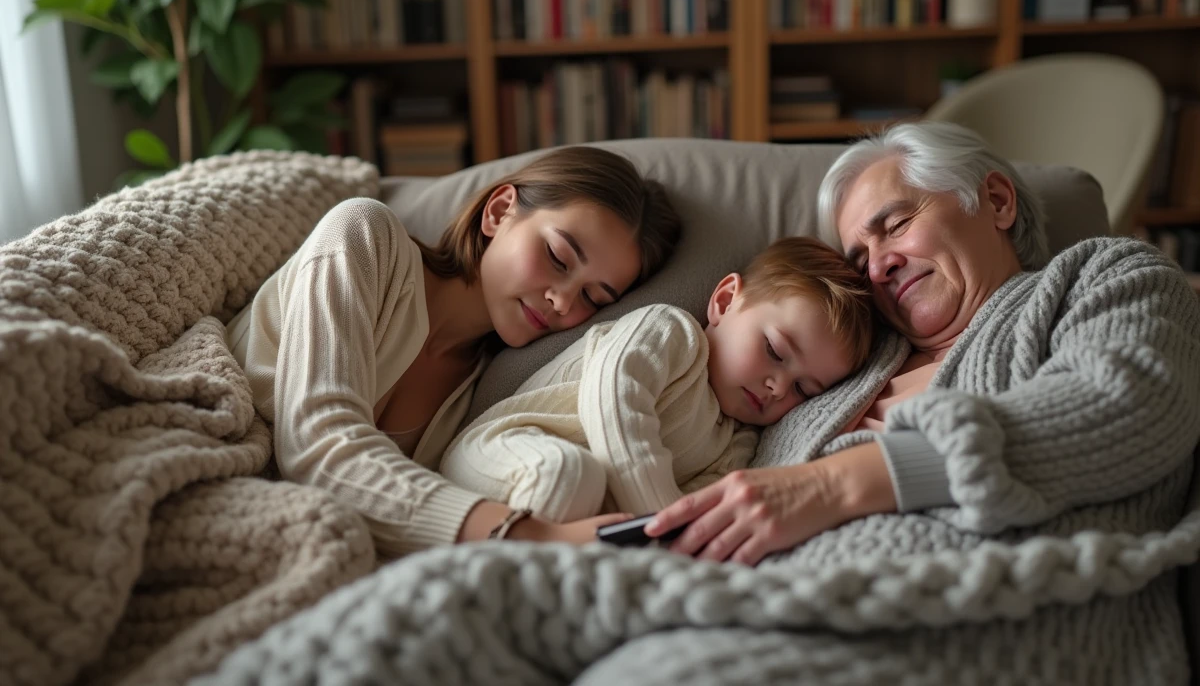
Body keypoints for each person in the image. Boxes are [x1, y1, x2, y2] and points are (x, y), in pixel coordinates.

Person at [646, 120, 1200, 566]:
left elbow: (1135, 403)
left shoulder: (1104, 276)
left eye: (896, 225)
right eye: (859, 259)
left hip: (971, 608)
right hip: (743, 598)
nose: (877, 267)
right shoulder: (841, 360)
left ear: (997, 201)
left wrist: (830, 487)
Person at [225, 146, 682, 557]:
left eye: (592, 298)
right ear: (499, 212)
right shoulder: (364, 235)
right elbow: (315, 444)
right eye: (558, 258)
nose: (562, 301)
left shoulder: (483, 391)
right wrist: (531, 535)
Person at [439, 237, 874, 523]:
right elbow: (613, 401)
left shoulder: (738, 445)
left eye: (804, 390)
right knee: (568, 474)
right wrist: (657, 517)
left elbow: (693, 512)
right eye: (775, 351)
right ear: (725, 301)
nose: (778, 387)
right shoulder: (669, 332)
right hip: (498, 451)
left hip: (572, 517)